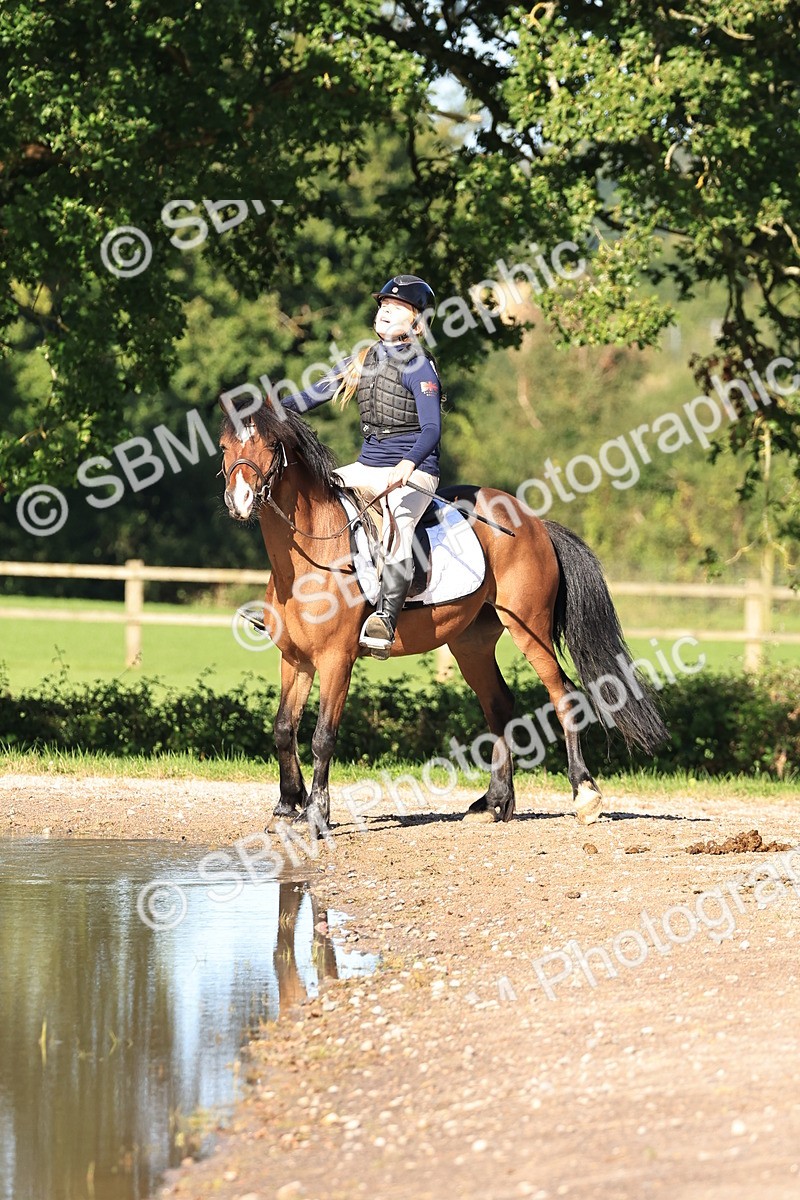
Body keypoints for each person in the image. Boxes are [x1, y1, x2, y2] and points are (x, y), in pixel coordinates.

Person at [280, 274, 442, 658]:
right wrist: (272, 410)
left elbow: (432, 428)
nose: (386, 310)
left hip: (414, 470)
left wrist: (408, 464)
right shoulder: (362, 359)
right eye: (383, 305)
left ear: (417, 323)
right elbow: (312, 395)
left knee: (397, 524)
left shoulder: (419, 365)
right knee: (314, 502)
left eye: (398, 307)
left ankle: (385, 617)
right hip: (366, 467)